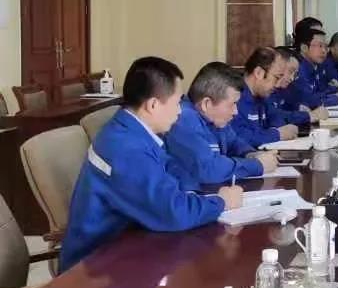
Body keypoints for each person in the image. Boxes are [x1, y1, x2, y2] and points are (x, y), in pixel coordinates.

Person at [60, 57, 242, 273]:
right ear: (153, 105)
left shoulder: (132, 130)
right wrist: (221, 202)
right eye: (177, 103)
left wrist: (191, 194)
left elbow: (172, 167)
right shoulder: (126, 147)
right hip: (93, 269)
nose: (180, 111)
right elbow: (173, 212)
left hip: (127, 247)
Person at [164, 61, 278, 190]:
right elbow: (208, 169)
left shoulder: (216, 119)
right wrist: (257, 165)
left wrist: (252, 154)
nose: (235, 111)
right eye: (232, 104)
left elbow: (234, 143)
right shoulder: (183, 119)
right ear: (206, 104)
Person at [230, 47, 299, 147]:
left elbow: (276, 117)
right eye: (277, 78)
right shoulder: (234, 96)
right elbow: (240, 138)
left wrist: (276, 130)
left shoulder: (262, 95)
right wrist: (277, 134)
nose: (277, 85)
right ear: (258, 73)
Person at [266, 47, 328, 128]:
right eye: (290, 71)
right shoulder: (265, 89)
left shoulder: (282, 88)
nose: (292, 78)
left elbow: (292, 103)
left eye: (295, 74)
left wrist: (299, 107)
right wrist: (308, 116)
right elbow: (274, 117)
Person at [289, 28, 338, 109]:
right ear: (304, 48)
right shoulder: (298, 70)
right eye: (320, 46)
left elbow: (320, 93)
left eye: (326, 47)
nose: (324, 51)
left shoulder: (315, 67)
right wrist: (337, 98)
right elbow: (309, 101)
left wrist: (334, 89)